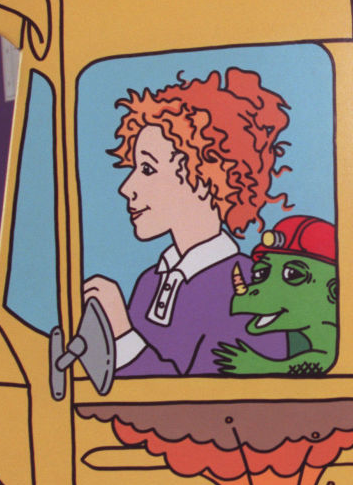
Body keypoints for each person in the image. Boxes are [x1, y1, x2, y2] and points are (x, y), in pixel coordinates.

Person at [83, 67, 292, 376]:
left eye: (148, 169)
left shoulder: (249, 289)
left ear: (206, 176)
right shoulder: (150, 282)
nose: (126, 187)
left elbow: (202, 412)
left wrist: (122, 334)